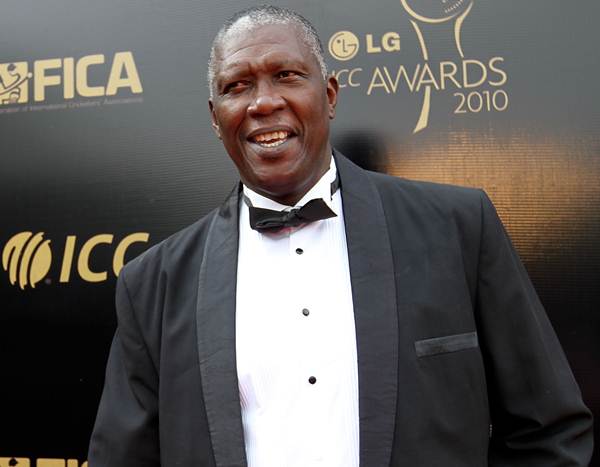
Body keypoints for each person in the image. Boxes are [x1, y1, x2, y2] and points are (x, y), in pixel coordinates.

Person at [88, 5, 593, 466]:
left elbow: (548, 430)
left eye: (286, 75)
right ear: (215, 118)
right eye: (237, 86)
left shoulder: (458, 227)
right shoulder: (153, 283)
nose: (264, 102)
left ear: (328, 95)